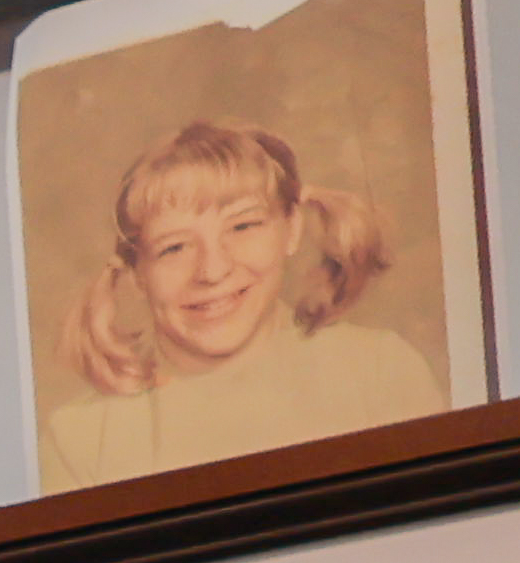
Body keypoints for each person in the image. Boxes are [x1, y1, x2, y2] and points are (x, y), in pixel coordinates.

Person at [40, 114, 445, 488]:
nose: (213, 271)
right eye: (174, 247)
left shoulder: (379, 375)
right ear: (136, 274)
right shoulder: (84, 441)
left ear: (291, 229)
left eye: (243, 226)